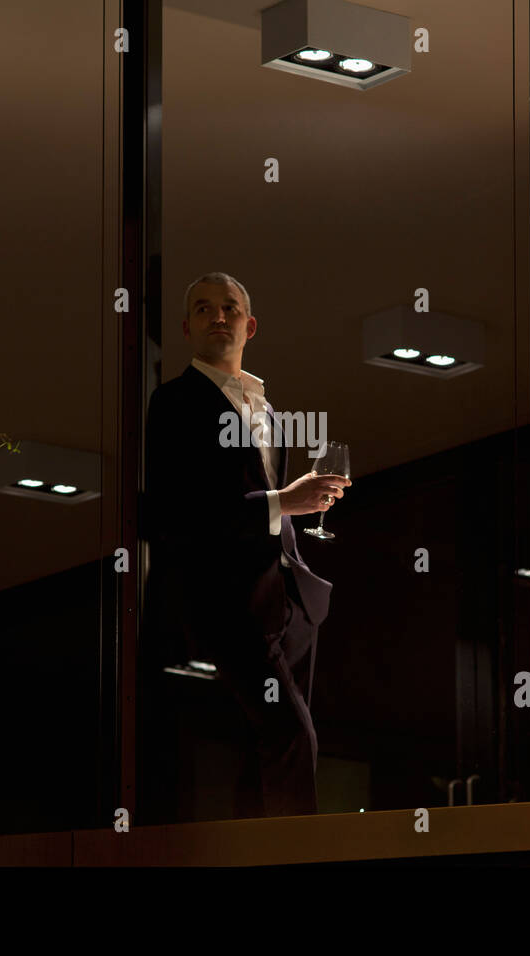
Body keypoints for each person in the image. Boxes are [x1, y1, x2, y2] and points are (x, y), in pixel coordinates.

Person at [142, 271, 350, 820]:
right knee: (290, 736)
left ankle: (254, 857)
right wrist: (285, 499)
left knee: (265, 748)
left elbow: (262, 500)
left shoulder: (266, 406)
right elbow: (180, 513)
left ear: (249, 325)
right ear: (187, 328)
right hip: (227, 602)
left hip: (290, 597)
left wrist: (296, 502)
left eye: (230, 309)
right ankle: (298, 861)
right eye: (205, 309)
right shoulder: (173, 403)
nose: (218, 317)